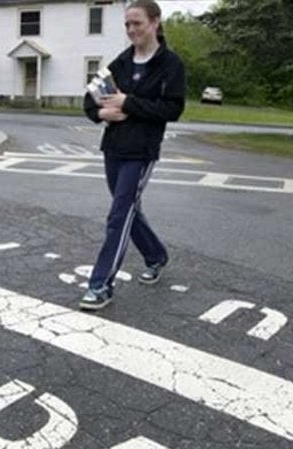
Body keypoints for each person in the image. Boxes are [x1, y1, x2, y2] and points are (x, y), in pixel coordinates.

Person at [78, 0, 185, 311]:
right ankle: (155, 255)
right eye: (127, 24)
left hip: (142, 151)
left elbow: (172, 109)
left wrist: (128, 103)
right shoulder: (121, 62)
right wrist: (101, 113)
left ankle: (100, 285)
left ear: (154, 23)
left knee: (119, 213)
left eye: (137, 23)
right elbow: (90, 98)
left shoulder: (170, 64)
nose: (131, 30)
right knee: (126, 209)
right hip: (113, 147)